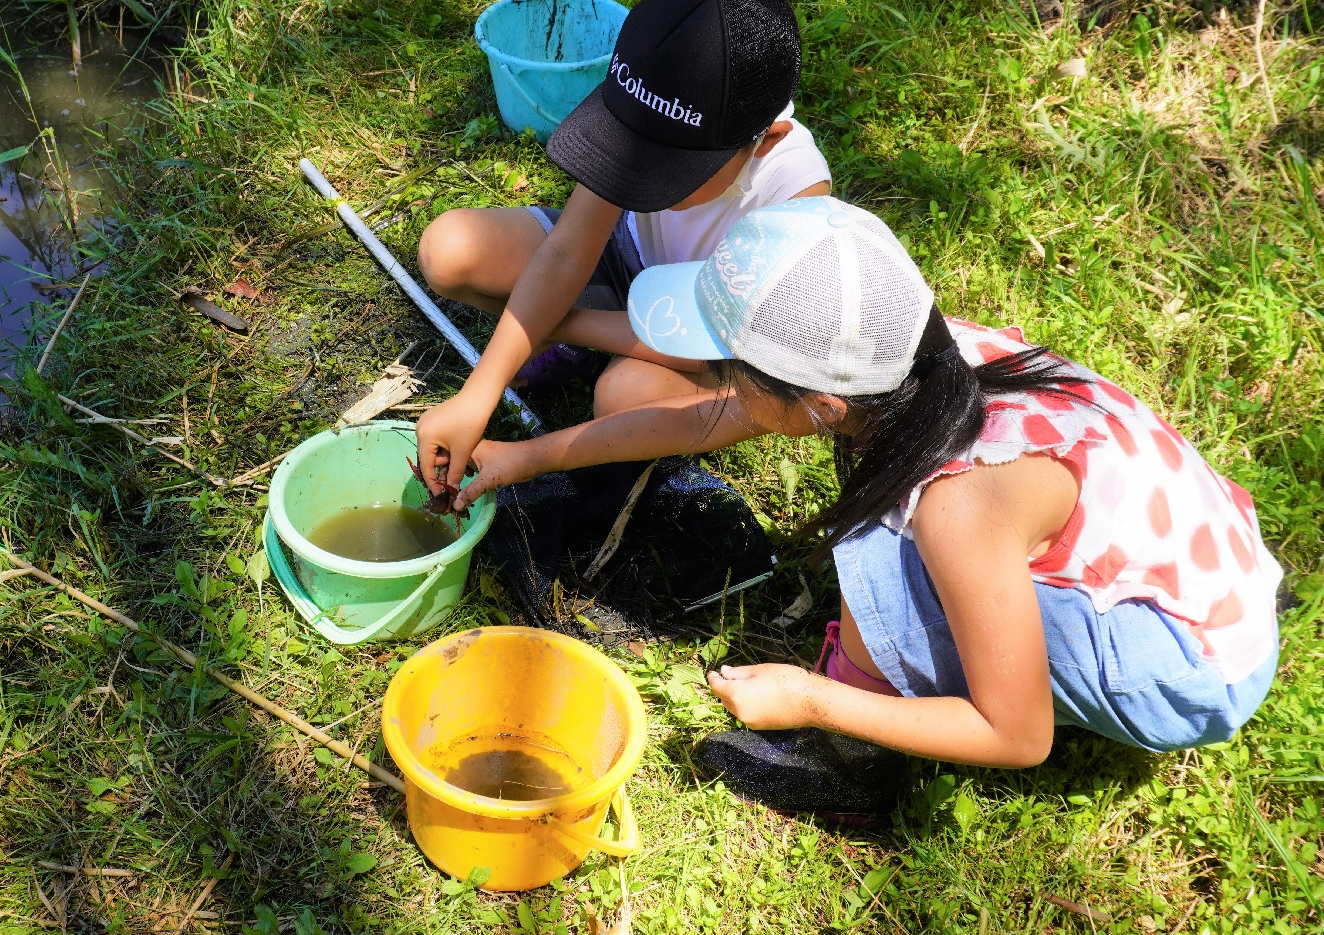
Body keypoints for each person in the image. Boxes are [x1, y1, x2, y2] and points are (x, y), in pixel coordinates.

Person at [453, 195, 1282, 821]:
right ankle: (887, 671)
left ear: (817, 404)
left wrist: (811, 700)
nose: (712, 379)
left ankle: (848, 755)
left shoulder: (956, 504)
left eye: (728, 366)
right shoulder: (911, 358)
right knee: (888, 535)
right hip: (1200, 569)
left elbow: (1017, 733)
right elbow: (699, 417)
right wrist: (521, 458)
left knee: (875, 553)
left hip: (1189, 665)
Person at [415, 0, 830, 495]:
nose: (642, 179)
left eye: (670, 170)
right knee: (451, 250)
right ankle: (559, 338)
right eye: (635, 149)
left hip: (704, 330)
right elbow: (568, 250)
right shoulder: (659, 99)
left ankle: (561, 342)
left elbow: (702, 347)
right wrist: (478, 393)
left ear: (765, 141)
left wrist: (556, 324)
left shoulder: (795, 199)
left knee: (624, 396)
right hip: (625, 259)